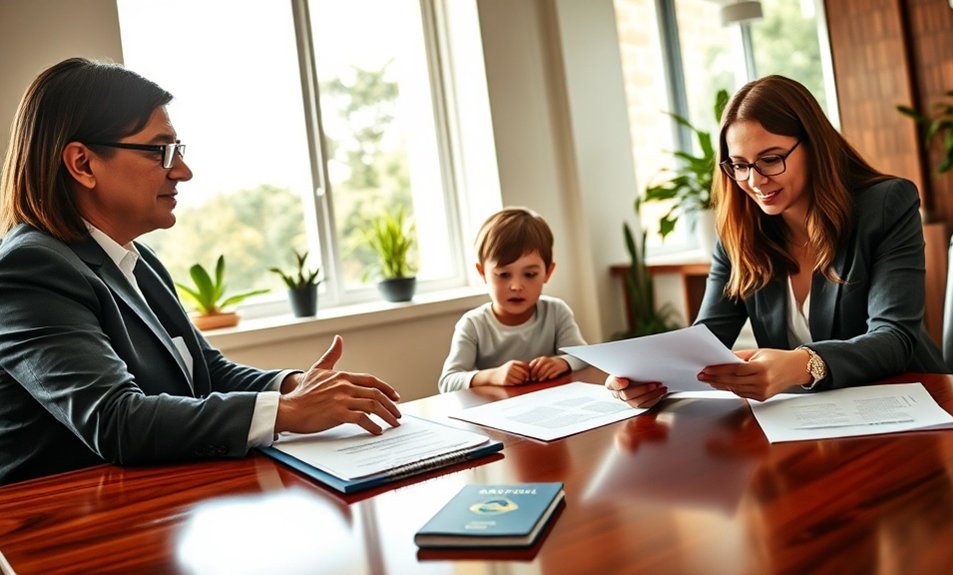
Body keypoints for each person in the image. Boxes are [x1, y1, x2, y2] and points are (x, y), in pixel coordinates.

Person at [0, 58, 402, 485]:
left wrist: (293, 386)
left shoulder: (138, 259)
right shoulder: (29, 269)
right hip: (62, 528)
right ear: (82, 164)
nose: (182, 171)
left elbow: (206, 371)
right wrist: (289, 413)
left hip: (156, 498)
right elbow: (116, 421)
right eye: (160, 150)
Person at [608, 75, 946, 407]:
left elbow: (895, 338)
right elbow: (706, 339)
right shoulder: (738, 232)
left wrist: (802, 364)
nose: (754, 180)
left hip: (909, 400)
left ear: (814, 146)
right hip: (810, 418)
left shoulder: (886, 205)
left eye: (770, 159)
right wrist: (644, 375)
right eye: (739, 165)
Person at [438, 207, 587, 392]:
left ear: (548, 272)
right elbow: (448, 381)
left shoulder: (557, 312)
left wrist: (562, 363)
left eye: (530, 274)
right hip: (496, 414)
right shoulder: (473, 324)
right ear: (482, 273)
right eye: (503, 274)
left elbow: (584, 357)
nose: (516, 286)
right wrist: (493, 375)